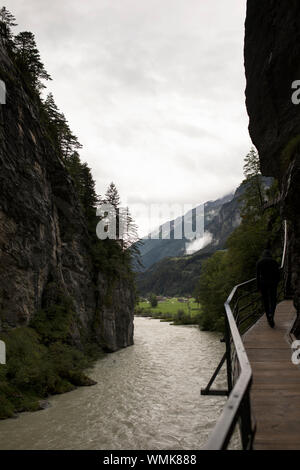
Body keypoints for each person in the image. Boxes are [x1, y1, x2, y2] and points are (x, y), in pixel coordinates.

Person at [256, 249, 280, 328]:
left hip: (263, 284)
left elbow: (257, 276)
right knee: (273, 300)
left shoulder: (259, 262)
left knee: (265, 301)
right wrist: (277, 283)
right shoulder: (274, 262)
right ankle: (271, 314)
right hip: (273, 284)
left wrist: (258, 287)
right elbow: (278, 274)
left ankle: (268, 316)